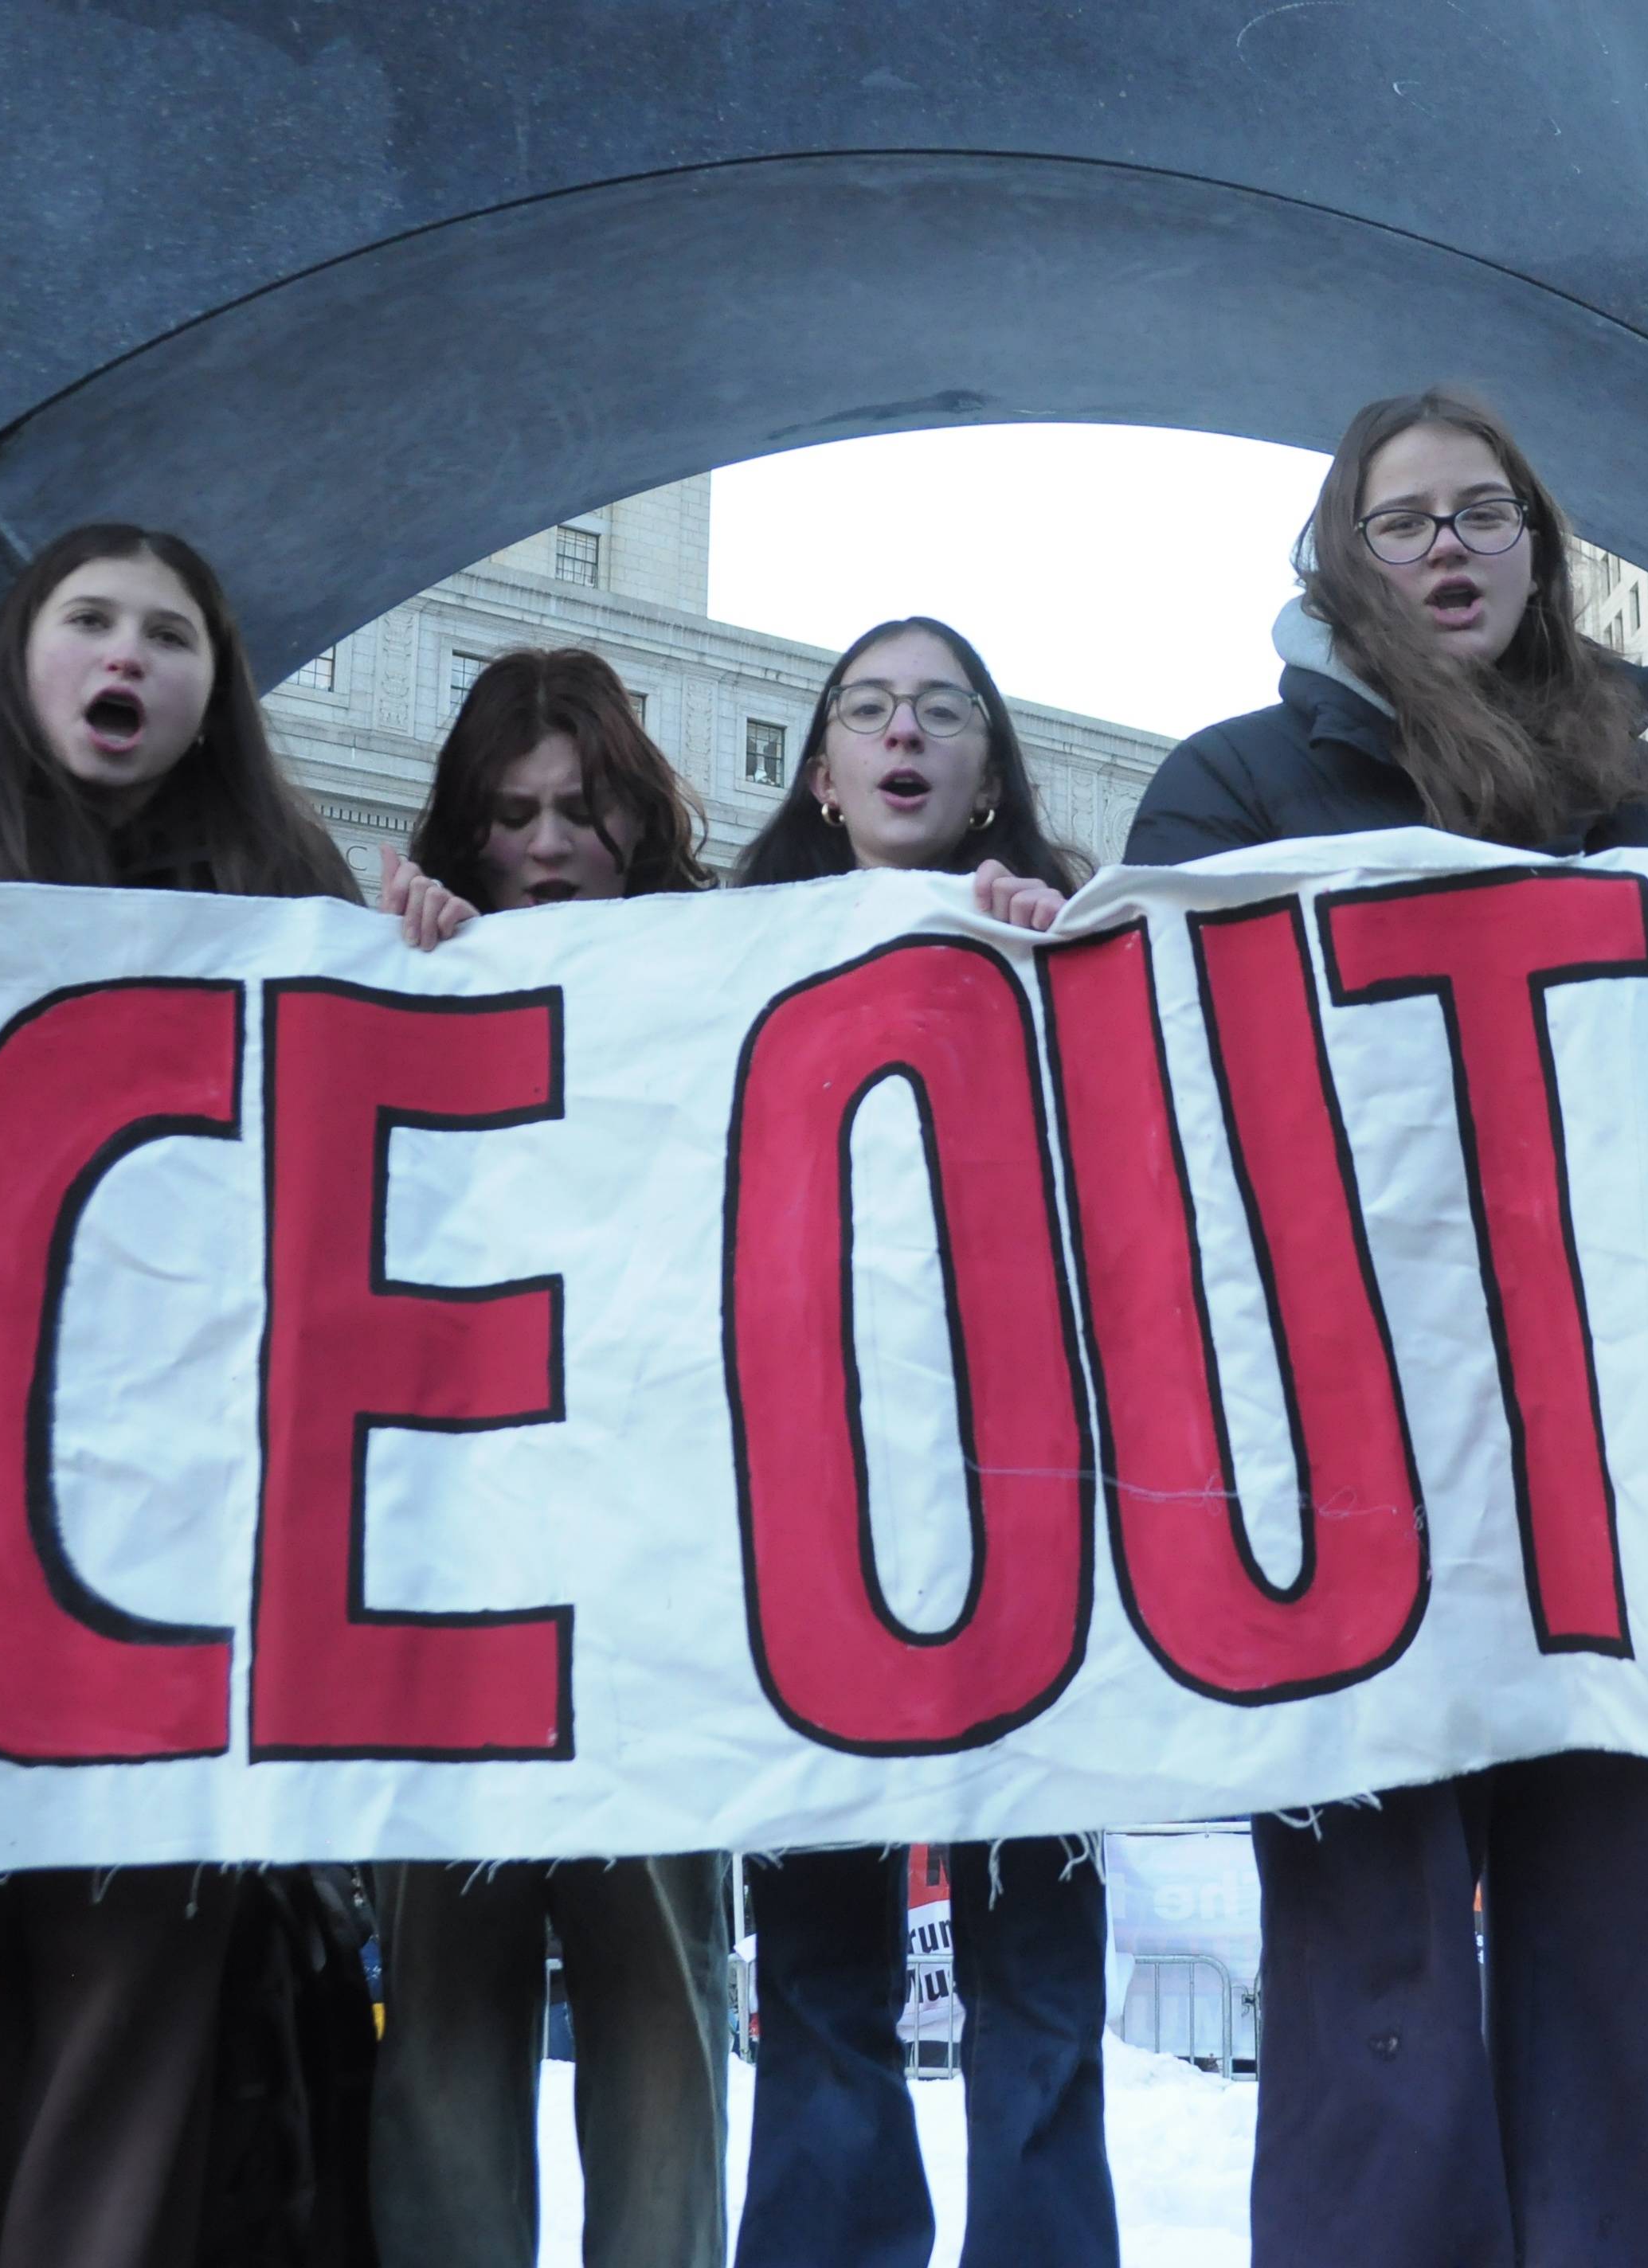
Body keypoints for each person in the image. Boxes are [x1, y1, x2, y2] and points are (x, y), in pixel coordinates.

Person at [1129, 384, 1648, 2268]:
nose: (1451, 545)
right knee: (1371, 1967)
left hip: (1613, 1463)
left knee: (1641, 1949)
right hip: (1351, 1463)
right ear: (1342, 557)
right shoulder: (1230, 785)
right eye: (1405, 519)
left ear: (1538, 546)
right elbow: (1134, 1065)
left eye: (1486, 511)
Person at [0, 523, 358, 2268]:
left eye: (170, 631)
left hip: (177, 1565)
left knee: (134, 2013)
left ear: (213, 691)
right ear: (24, 655)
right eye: (90, 618)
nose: (127, 652)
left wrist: (420, 950)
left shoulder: (297, 908)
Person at [724, 616, 1102, 2268]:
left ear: (987, 773)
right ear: (819, 771)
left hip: (1031, 1516)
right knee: (815, 1965)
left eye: (941, 709)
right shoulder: (709, 961)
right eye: (868, 707)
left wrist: (1063, 956)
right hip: (805, 1522)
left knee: (1038, 1965)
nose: (904, 730)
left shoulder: (1069, 946)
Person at [364, 648, 736, 2268]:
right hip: (441, 1583)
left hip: (649, 1581)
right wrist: (369, 952)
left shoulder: (737, 967)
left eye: (579, 805)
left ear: (633, 812)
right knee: (443, 2011)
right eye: (510, 812)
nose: (543, 841)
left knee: (662, 2008)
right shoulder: (379, 973)